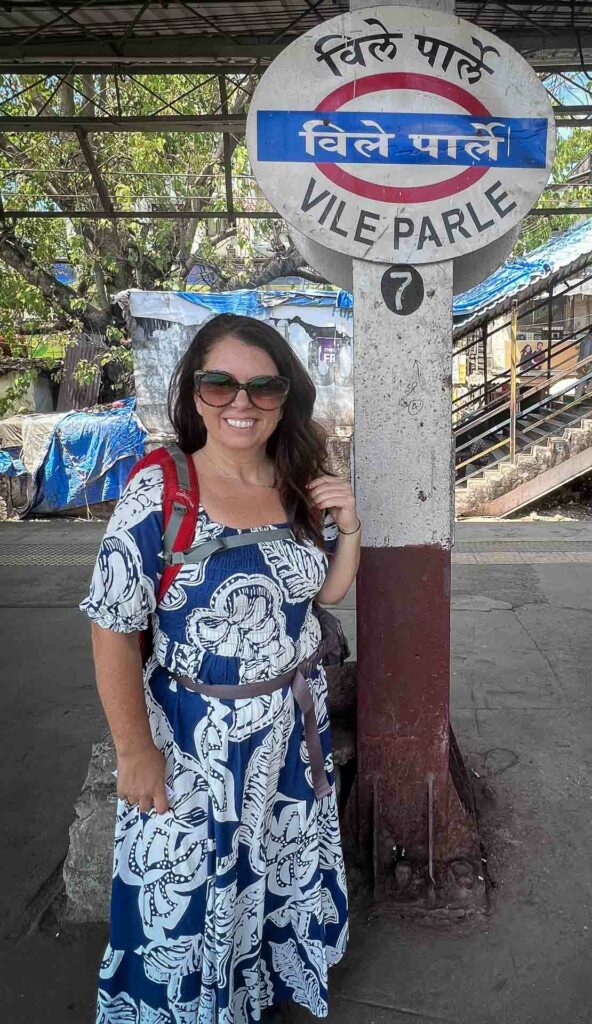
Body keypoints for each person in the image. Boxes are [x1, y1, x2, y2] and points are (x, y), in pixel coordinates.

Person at [81, 313, 360, 1021]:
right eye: (221, 383)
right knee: (187, 892)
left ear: (285, 397)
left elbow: (323, 593)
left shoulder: (298, 479)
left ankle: (252, 994)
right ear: (194, 391)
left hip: (290, 734)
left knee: (271, 874)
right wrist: (134, 751)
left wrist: (349, 529)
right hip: (192, 736)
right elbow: (112, 625)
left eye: (263, 387)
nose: (242, 402)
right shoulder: (161, 491)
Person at [575, 322, 592, 399]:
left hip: (580, 363)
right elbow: (586, 354)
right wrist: (586, 365)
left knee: (582, 382)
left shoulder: (584, 340)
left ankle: (577, 400)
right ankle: (589, 390)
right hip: (585, 364)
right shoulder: (589, 341)